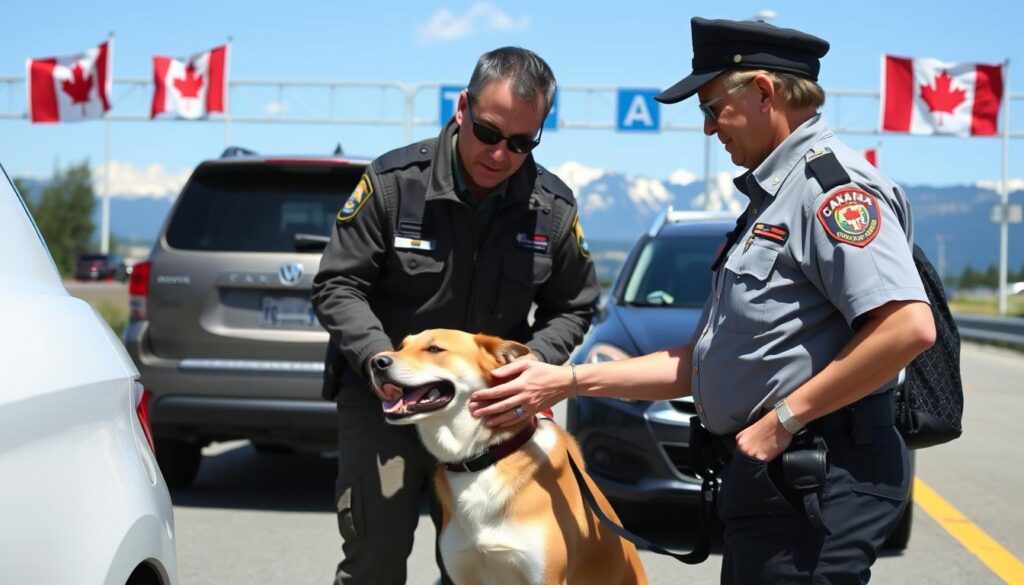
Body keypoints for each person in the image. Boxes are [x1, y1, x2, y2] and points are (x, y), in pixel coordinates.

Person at [469, 17, 936, 584]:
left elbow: (907, 328)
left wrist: (782, 421)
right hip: (776, 479)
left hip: (819, 475)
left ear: (763, 93)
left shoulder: (830, 191)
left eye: (713, 109)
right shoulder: (773, 199)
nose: (710, 130)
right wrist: (565, 381)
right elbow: (699, 363)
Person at [311, 46, 599, 585]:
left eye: (520, 143)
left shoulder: (552, 207)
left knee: (480, 572)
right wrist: (379, 358)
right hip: (388, 407)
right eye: (489, 134)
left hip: (489, 419)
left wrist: (529, 365)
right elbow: (338, 284)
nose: (500, 154)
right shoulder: (396, 183)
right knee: (374, 561)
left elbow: (574, 303)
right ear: (462, 107)